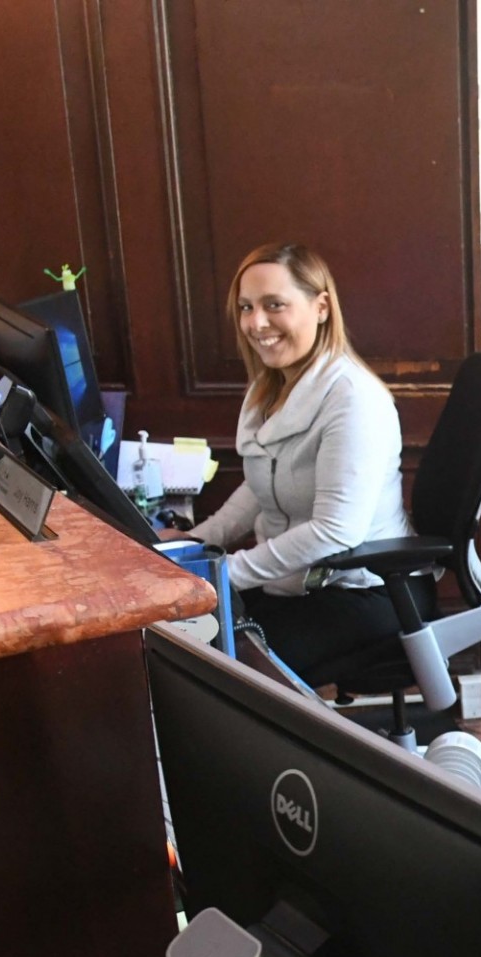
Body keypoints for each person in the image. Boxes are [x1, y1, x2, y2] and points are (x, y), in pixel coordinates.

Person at [187, 243, 417, 680]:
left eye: (275, 305)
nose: (256, 323)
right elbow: (260, 482)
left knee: (218, 673)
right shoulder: (268, 388)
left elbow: (337, 529)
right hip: (295, 583)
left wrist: (225, 573)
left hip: (362, 590)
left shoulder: (353, 399)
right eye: (246, 307)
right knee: (189, 640)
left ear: (321, 307)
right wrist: (197, 543)